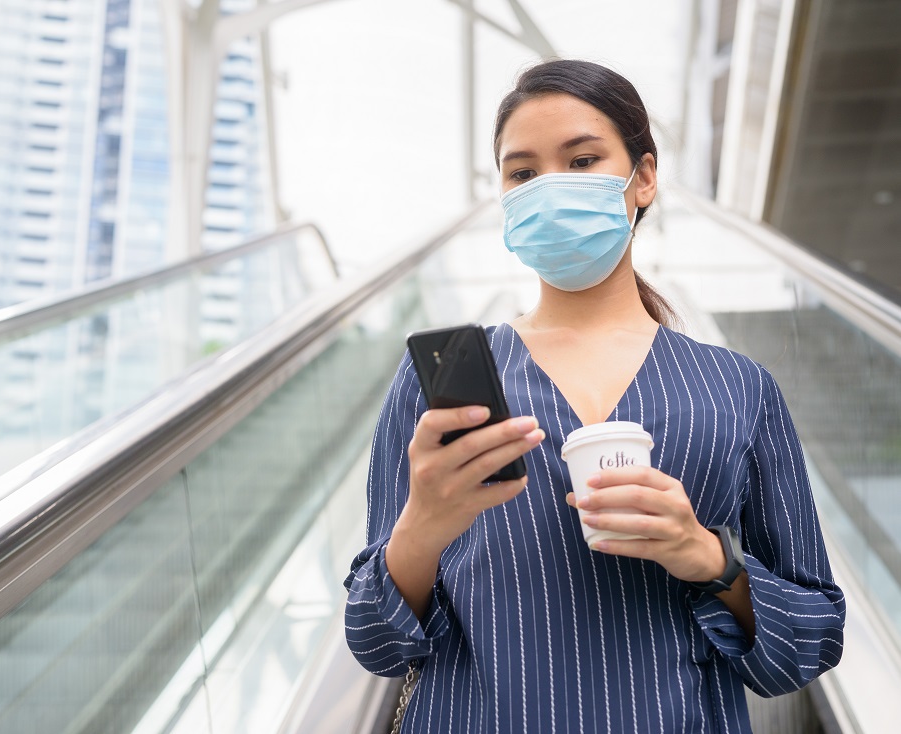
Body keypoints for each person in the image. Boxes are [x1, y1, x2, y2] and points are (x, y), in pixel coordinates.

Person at [343, 59, 845, 733]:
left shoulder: (738, 390)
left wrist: (710, 559)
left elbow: (812, 641)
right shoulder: (447, 379)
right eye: (522, 173)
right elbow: (374, 643)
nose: (550, 187)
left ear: (643, 178)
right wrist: (421, 530)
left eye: (581, 161)